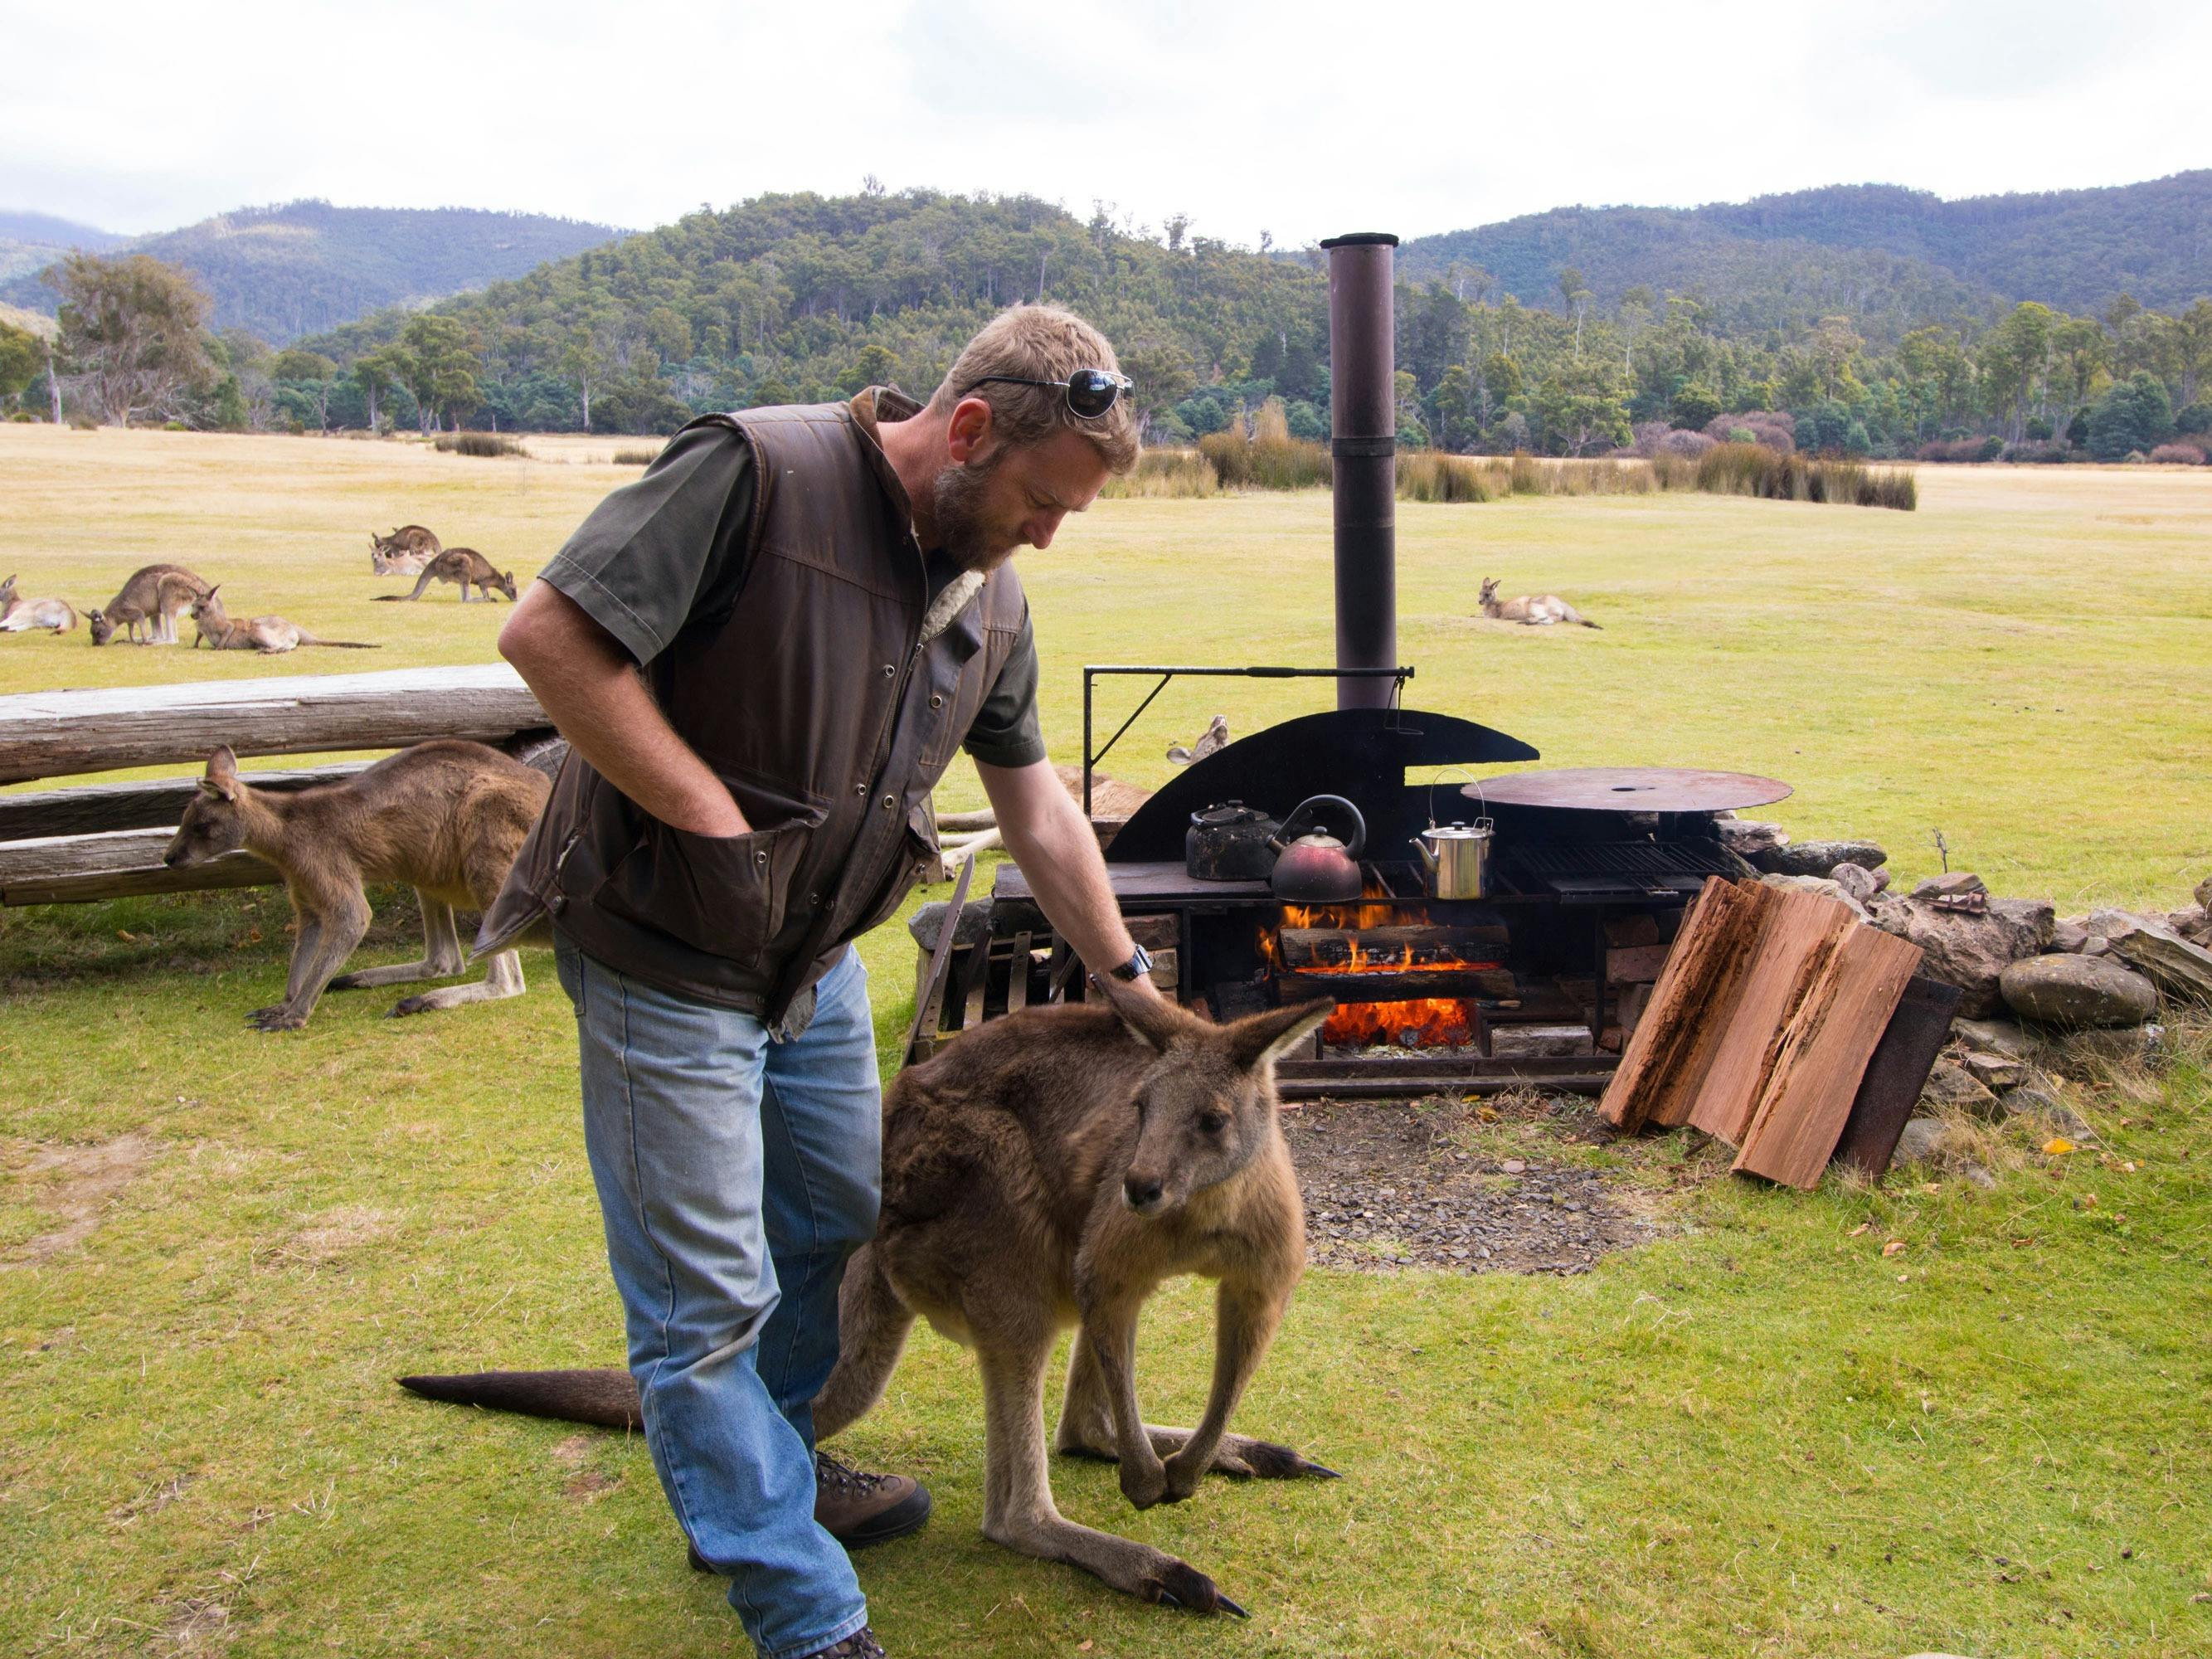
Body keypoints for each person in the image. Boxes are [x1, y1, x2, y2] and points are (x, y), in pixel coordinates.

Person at [479, 306, 1159, 1659]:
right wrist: (706, 818)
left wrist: (1126, 972)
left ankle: (766, 1475)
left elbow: (1035, 808)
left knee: (838, 1228)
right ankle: (803, 1608)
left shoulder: (992, 601)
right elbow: (549, 637)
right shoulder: (757, 475)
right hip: (664, 952)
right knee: (703, 1299)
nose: (1046, 535)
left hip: (815, 966)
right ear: (967, 431)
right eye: (1039, 500)